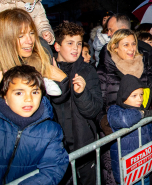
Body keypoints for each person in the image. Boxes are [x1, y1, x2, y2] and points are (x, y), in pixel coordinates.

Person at [97, 28, 152, 185]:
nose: (131, 49)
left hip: (144, 133)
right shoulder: (105, 71)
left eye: (133, 44)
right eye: (125, 45)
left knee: (148, 177)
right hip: (118, 137)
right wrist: (103, 122)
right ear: (114, 47)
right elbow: (99, 104)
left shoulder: (143, 65)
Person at [0, 60, 68, 184]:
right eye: (19, 93)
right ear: (5, 96)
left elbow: (52, 170)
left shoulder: (51, 130)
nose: (28, 99)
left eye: (35, 92)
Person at [50, 22, 103, 185]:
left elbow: (94, 110)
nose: (76, 48)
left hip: (83, 145)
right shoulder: (46, 72)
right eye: (70, 43)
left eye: (79, 43)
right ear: (57, 46)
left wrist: (82, 94)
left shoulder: (87, 71)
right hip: (56, 148)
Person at [108, 74, 152, 185]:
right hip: (127, 172)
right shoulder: (115, 110)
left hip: (143, 167)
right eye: (134, 96)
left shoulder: (141, 111)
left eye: (141, 94)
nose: (140, 99)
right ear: (124, 96)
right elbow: (126, 120)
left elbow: (151, 133)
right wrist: (145, 113)